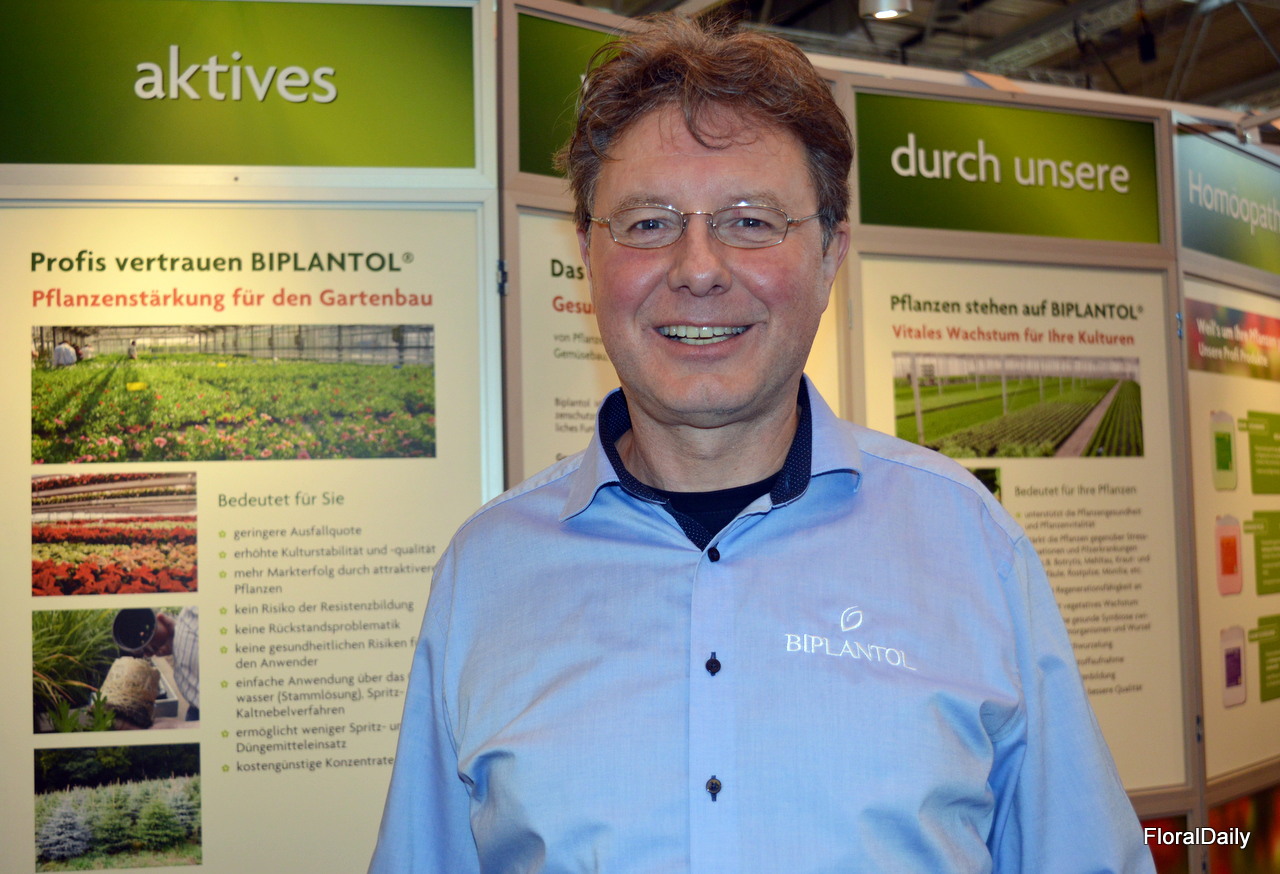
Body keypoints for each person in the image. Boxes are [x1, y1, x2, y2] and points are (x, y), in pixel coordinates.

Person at [370, 15, 1154, 873]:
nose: (699, 268)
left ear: (830, 255)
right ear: (587, 254)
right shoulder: (486, 575)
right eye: (648, 223)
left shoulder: (972, 547)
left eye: (750, 221)